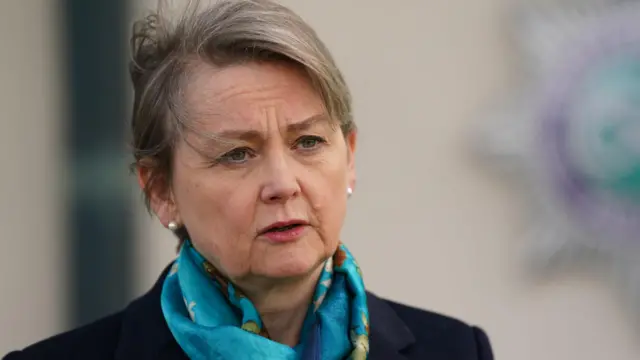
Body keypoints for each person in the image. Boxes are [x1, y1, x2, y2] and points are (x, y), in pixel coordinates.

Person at [4, 0, 494, 359]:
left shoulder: (454, 350)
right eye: (237, 154)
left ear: (349, 157)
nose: (283, 183)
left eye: (308, 143)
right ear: (160, 190)